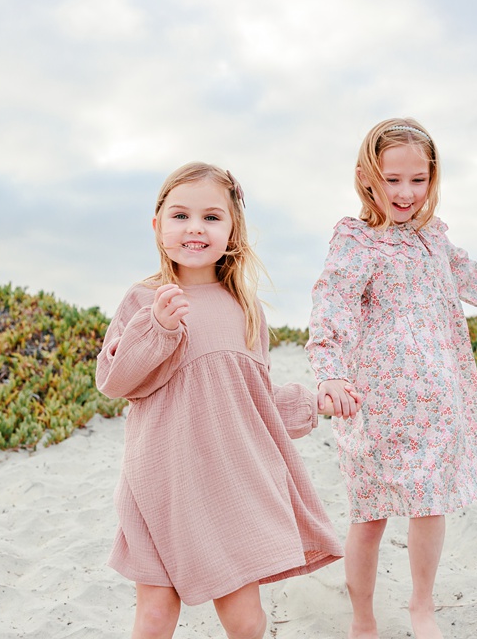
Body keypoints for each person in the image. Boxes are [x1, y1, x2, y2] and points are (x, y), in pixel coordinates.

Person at [97, 161, 347, 639]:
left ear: (233, 230)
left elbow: (254, 399)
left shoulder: (245, 308)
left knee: (247, 620)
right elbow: (115, 380)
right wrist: (159, 328)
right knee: (153, 616)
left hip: (225, 483)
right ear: (157, 225)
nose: (195, 228)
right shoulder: (144, 299)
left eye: (212, 217)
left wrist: (316, 402)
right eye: (180, 215)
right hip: (160, 483)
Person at [306, 118, 477, 639]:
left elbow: (467, 275)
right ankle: (363, 619)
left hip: (439, 398)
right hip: (375, 400)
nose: (405, 192)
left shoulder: (434, 239)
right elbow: (332, 304)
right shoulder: (358, 240)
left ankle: (422, 607)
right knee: (369, 515)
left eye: (417, 180)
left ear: (432, 178)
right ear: (366, 176)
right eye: (392, 178)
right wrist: (330, 372)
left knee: (428, 506)